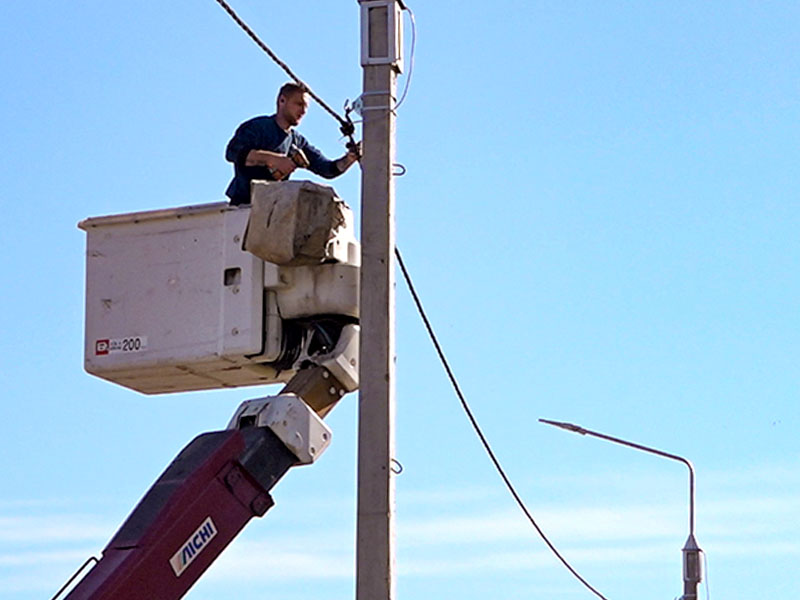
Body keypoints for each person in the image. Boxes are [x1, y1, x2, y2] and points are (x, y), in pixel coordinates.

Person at [224, 82, 360, 206]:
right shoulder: (259, 127)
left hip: (272, 209)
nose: (303, 111)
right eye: (299, 104)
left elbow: (328, 169)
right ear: (282, 100)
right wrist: (274, 160)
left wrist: (349, 158)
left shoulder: (297, 141)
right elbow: (233, 153)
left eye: (306, 106)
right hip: (242, 206)